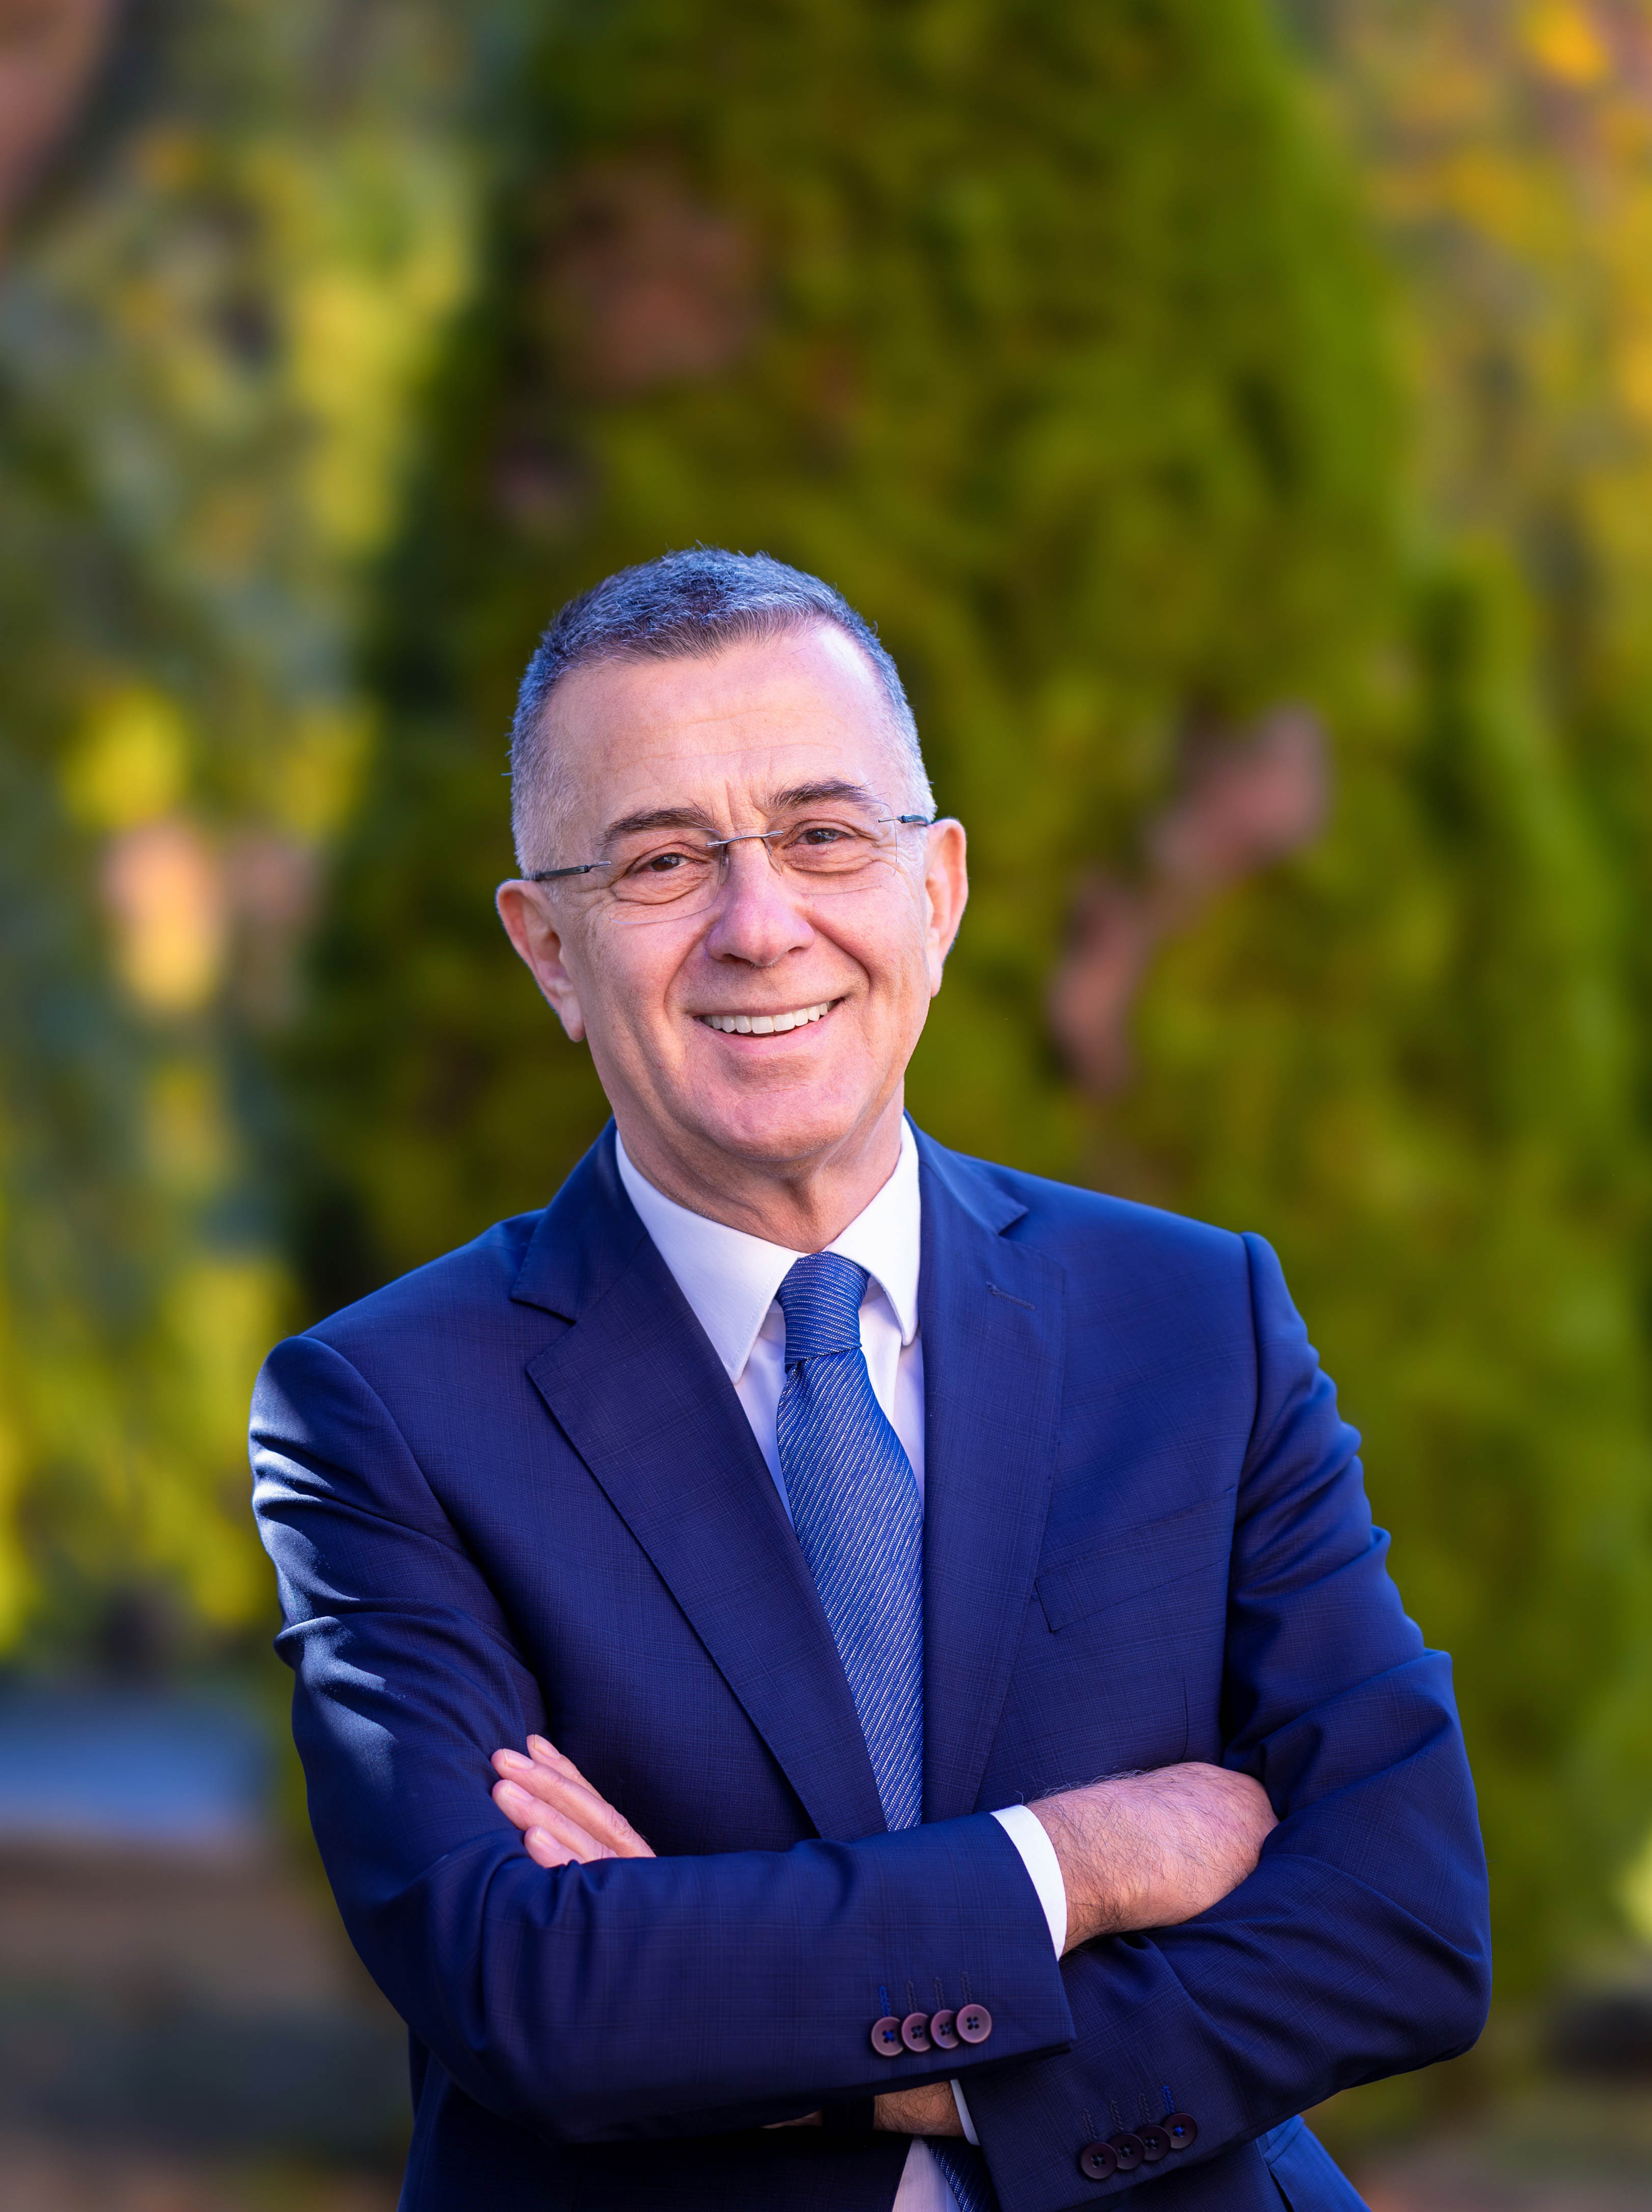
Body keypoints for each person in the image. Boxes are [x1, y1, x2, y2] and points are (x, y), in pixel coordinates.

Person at [251, 549, 1490, 2212]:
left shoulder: (1196, 1319)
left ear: (938, 892)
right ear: (548, 951)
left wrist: (779, 2025)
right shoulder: (387, 1411)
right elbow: (530, 1990)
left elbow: (1404, 1921)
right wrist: (1078, 1862)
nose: (760, 927)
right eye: (661, 862)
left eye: (824, 836)